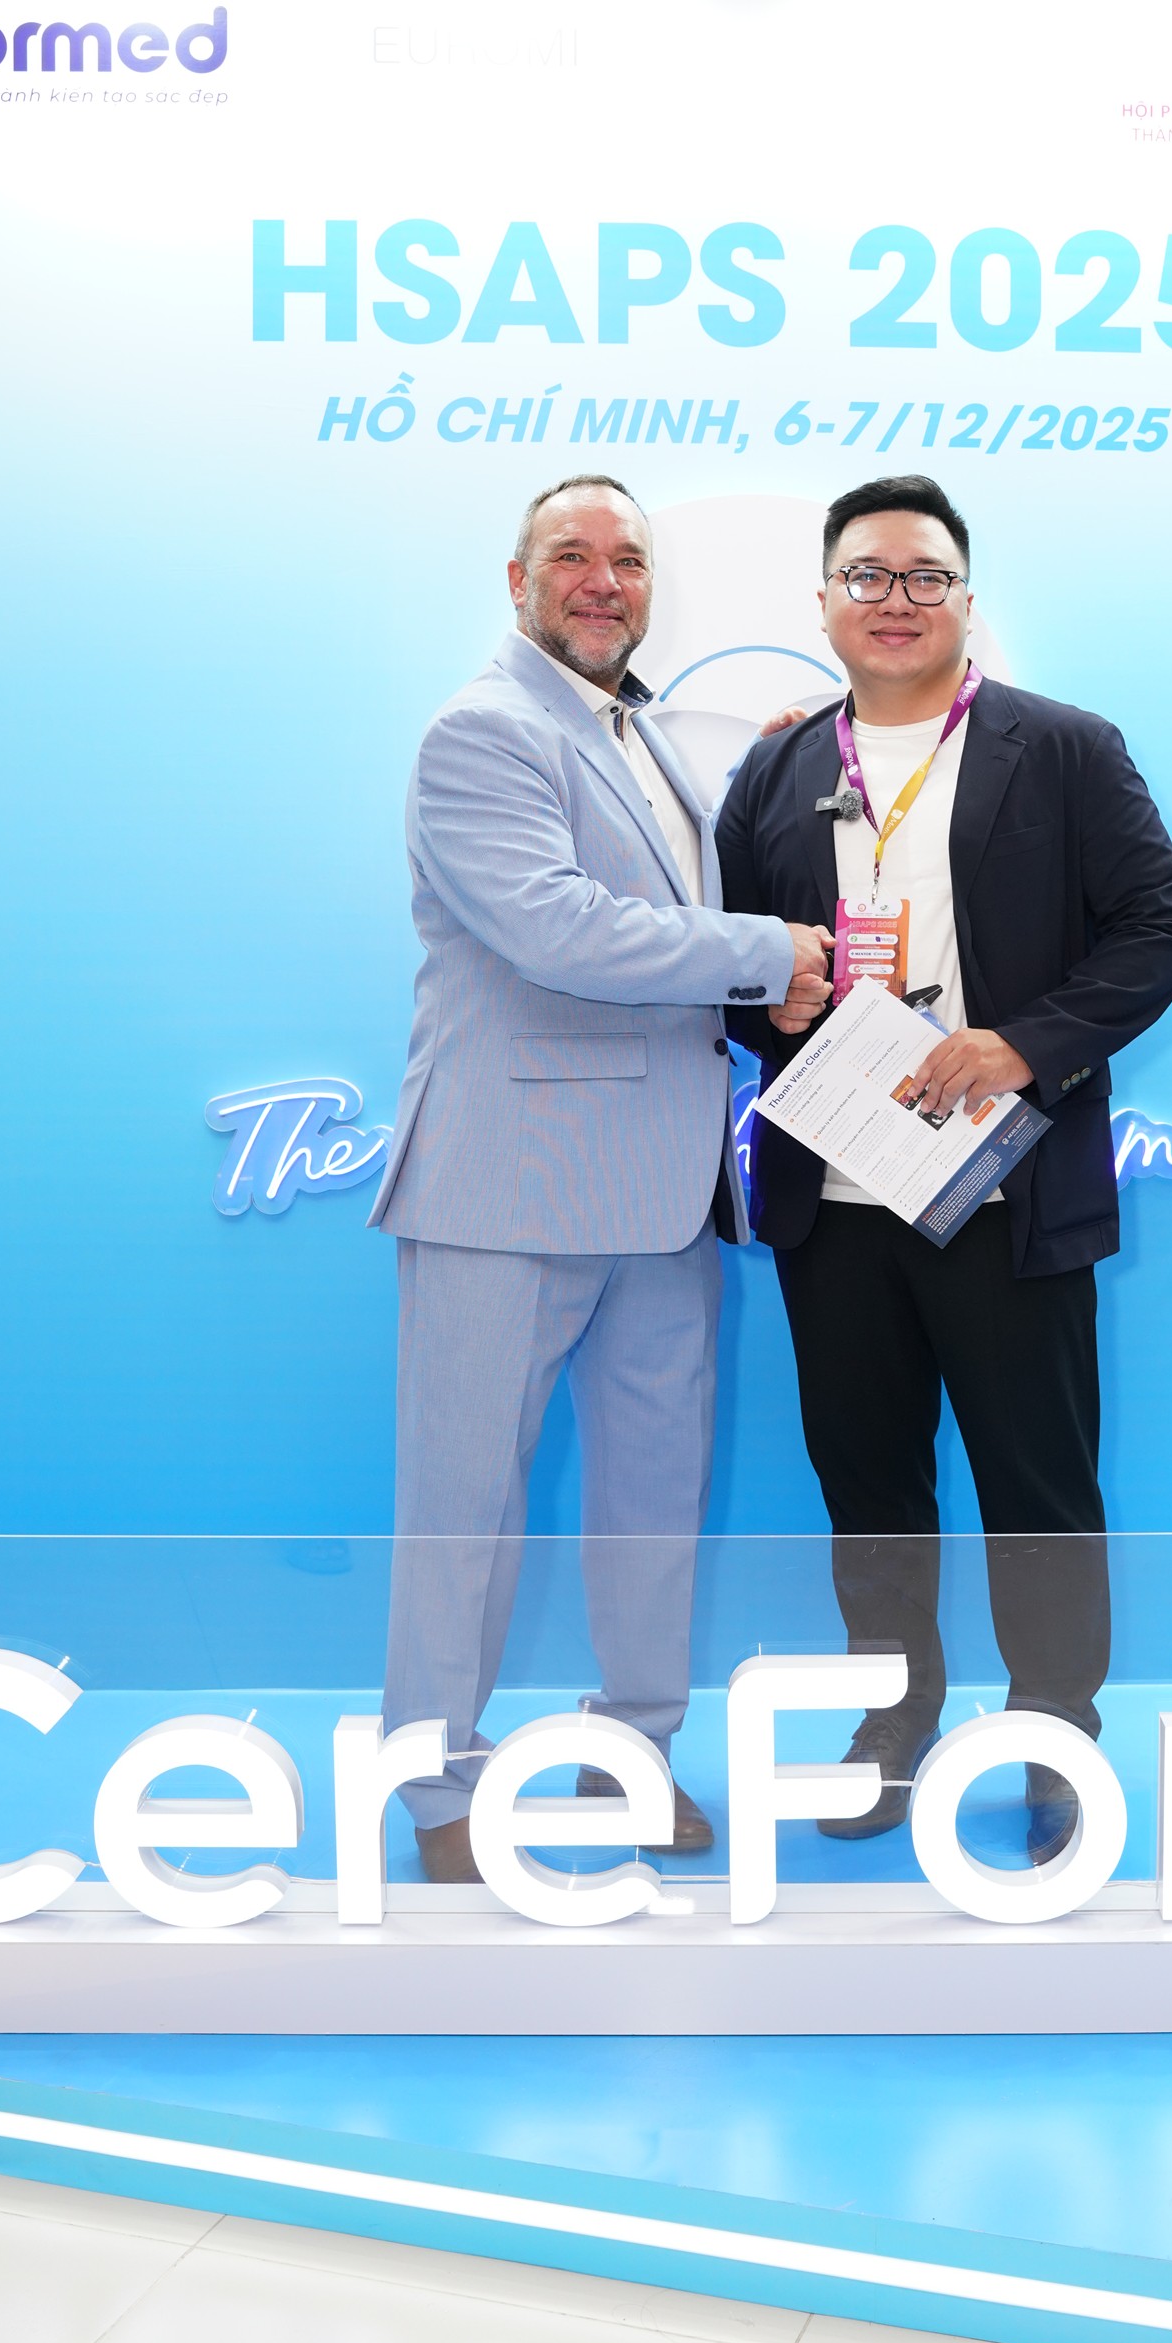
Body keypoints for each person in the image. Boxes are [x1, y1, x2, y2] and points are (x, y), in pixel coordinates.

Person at [716, 475, 1172, 1863]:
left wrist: (1021, 1046)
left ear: (966, 601)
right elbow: (734, 966)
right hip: (836, 1197)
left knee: (1037, 1486)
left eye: (925, 575)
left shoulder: (1066, 748)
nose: (896, 599)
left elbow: (1159, 930)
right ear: (823, 603)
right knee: (867, 1484)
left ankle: (1054, 1734)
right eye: (866, 575)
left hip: (1004, 1186)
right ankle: (894, 1721)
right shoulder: (776, 770)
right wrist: (774, 1003)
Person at [369, 474, 833, 1881]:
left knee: (654, 1497)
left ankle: (633, 1751)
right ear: (516, 580)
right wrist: (771, 951)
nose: (603, 578)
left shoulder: (640, 734)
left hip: (663, 1194)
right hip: (505, 1191)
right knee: (463, 1508)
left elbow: (678, 887)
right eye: (571, 554)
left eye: (627, 559)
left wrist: (786, 765)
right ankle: (438, 1791)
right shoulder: (481, 730)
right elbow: (561, 927)